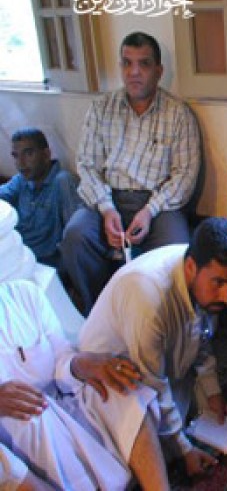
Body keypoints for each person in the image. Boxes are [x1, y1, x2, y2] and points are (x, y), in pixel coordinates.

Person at [78, 217, 227, 478]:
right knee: (149, 458)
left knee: (202, 415)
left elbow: (202, 337)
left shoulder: (201, 275)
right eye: (219, 283)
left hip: (160, 362)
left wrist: (213, 394)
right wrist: (184, 450)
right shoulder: (149, 298)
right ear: (190, 266)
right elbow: (152, 381)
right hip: (116, 376)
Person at [62, 31, 202, 315]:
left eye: (144, 64)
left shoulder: (178, 114)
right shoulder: (101, 109)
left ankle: (158, 322)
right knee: (75, 236)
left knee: (176, 249)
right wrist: (106, 209)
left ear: (159, 71)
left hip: (157, 205)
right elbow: (87, 164)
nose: (134, 72)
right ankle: (101, 313)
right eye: (127, 63)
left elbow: (185, 175)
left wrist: (149, 211)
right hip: (106, 198)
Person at [0, 279, 169, 490]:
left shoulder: (25, 295)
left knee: (113, 384)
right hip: (18, 431)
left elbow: (61, 359)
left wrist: (83, 364)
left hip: (63, 398)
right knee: (27, 415)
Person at [0, 128, 80, 268]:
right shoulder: (20, 180)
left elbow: (74, 237)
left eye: (28, 153)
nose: (20, 163)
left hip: (47, 265)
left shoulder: (63, 182)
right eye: (16, 156)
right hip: (19, 258)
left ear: (46, 154)